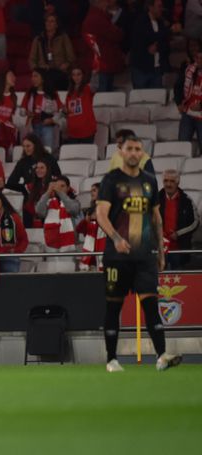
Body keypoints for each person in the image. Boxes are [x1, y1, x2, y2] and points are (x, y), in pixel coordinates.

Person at [96, 134, 180, 372]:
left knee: (151, 304)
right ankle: (112, 359)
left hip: (144, 256)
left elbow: (156, 218)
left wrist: (161, 253)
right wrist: (116, 238)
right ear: (121, 151)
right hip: (116, 256)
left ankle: (162, 356)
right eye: (130, 148)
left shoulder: (150, 181)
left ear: (142, 154)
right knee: (114, 306)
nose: (134, 153)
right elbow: (101, 214)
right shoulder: (110, 181)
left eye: (138, 149)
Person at [6, 133, 61, 224]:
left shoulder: (49, 158)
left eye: (28, 146)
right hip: (30, 201)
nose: (25, 149)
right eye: (24, 146)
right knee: (29, 231)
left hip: (49, 199)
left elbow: (58, 177)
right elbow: (11, 182)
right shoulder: (22, 162)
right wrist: (25, 188)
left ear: (36, 145)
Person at [159, 170, 199, 270]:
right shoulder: (155, 199)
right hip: (159, 250)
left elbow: (195, 222)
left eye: (172, 181)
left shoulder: (187, 200)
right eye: (166, 181)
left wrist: (179, 234)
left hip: (179, 250)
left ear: (178, 182)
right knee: (159, 283)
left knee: (179, 281)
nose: (168, 184)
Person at [82, 0, 126, 92]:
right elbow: (117, 35)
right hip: (102, 64)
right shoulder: (97, 18)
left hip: (102, 64)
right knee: (103, 97)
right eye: (105, 1)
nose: (107, 4)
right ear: (99, 3)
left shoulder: (94, 17)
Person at [129, 0, 169, 90]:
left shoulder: (161, 23)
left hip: (157, 69)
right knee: (141, 99)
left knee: (157, 99)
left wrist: (157, 45)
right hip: (141, 68)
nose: (161, 9)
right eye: (159, 6)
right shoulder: (140, 22)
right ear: (151, 7)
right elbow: (137, 43)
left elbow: (165, 43)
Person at [36, 175, 81, 253]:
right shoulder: (48, 202)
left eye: (62, 186)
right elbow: (39, 212)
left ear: (68, 188)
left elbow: (73, 209)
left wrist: (60, 193)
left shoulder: (74, 202)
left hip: (69, 247)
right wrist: (48, 192)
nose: (59, 188)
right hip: (51, 245)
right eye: (57, 186)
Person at [21, 69, 63, 153]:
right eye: (32, 76)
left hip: (47, 126)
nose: (33, 78)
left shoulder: (52, 93)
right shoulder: (30, 93)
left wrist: (52, 120)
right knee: (34, 152)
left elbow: (61, 110)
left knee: (48, 151)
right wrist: (27, 113)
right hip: (33, 126)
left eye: (36, 76)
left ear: (43, 78)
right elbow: (22, 111)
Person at [28, 14, 74, 90]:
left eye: (52, 21)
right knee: (44, 80)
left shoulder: (63, 37)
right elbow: (31, 59)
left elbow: (71, 57)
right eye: (47, 21)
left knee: (57, 79)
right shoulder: (38, 39)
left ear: (56, 25)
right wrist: (37, 70)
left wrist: (66, 64)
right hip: (44, 72)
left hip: (59, 71)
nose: (48, 23)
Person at [64, 68, 97, 144]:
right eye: (74, 75)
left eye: (78, 74)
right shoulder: (69, 93)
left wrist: (94, 74)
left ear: (83, 76)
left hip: (87, 130)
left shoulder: (88, 88)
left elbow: (95, 85)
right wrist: (64, 110)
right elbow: (67, 110)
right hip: (72, 132)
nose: (76, 77)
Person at [178, 44, 202, 144]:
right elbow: (178, 86)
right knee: (182, 144)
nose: (199, 60)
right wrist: (179, 101)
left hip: (201, 114)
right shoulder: (189, 70)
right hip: (188, 112)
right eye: (197, 57)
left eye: (201, 58)